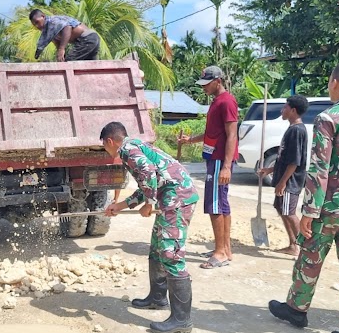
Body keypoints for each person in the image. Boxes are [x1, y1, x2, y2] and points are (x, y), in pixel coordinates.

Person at [268, 60, 339, 333]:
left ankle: (296, 310)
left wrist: (309, 212)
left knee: (309, 256)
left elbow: (319, 169)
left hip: (329, 206)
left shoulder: (328, 118)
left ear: (334, 81)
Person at [102, 122, 199, 333]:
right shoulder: (135, 146)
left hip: (178, 199)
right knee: (157, 248)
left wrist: (150, 203)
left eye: (105, 146)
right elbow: (150, 181)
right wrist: (120, 205)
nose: (107, 151)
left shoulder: (126, 150)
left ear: (110, 141)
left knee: (171, 254)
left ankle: (182, 321)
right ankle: (157, 298)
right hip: (170, 197)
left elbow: (148, 173)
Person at [180, 66, 238, 269]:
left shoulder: (227, 102)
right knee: (221, 203)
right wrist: (190, 140)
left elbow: (232, 134)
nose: (204, 87)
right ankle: (225, 249)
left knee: (214, 205)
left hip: (220, 160)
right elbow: (212, 133)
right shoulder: (216, 102)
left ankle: (220, 252)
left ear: (218, 81)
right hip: (215, 158)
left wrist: (227, 166)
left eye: (207, 83)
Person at [258, 95, 310, 256]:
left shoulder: (296, 131)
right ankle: (293, 245)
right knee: (281, 208)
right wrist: (270, 171)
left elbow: (294, 162)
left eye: (285, 107)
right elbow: (284, 159)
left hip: (290, 182)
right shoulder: (292, 129)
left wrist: (282, 183)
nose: (282, 110)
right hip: (284, 179)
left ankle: (305, 248)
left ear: (293, 110)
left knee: (289, 212)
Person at [29, 9, 100, 62]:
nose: (37, 26)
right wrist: (60, 54)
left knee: (69, 63)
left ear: (43, 16)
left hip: (87, 38)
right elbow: (58, 44)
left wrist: (61, 49)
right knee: (89, 66)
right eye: (35, 25)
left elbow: (67, 27)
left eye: (37, 22)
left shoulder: (52, 21)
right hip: (91, 39)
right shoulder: (50, 31)